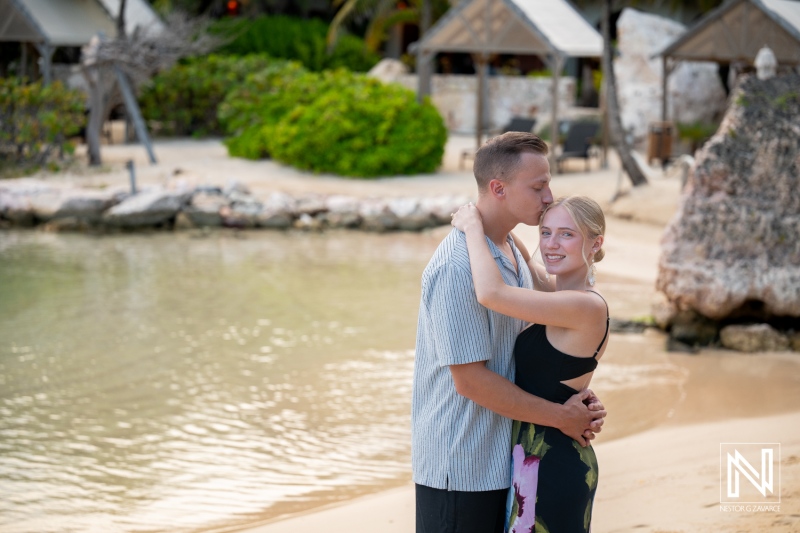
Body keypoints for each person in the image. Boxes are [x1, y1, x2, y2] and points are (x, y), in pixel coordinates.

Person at [411, 132, 606, 533]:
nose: (549, 196)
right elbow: (470, 382)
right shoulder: (458, 267)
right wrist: (562, 414)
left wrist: (569, 394)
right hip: (461, 464)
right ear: (498, 188)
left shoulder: (511, 253)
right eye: (538, 186)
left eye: (548, 184)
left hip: (506, 459)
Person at [451, 195, 608, 533]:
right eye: (546, 232)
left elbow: (491, 293)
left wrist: (473, 228)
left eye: (567, 234)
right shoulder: (554, 296)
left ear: (596, 243)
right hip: (533, 458)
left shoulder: (585, 307)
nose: (551, 244)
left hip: (554, 465)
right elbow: (528, 262)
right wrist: (497, 223)